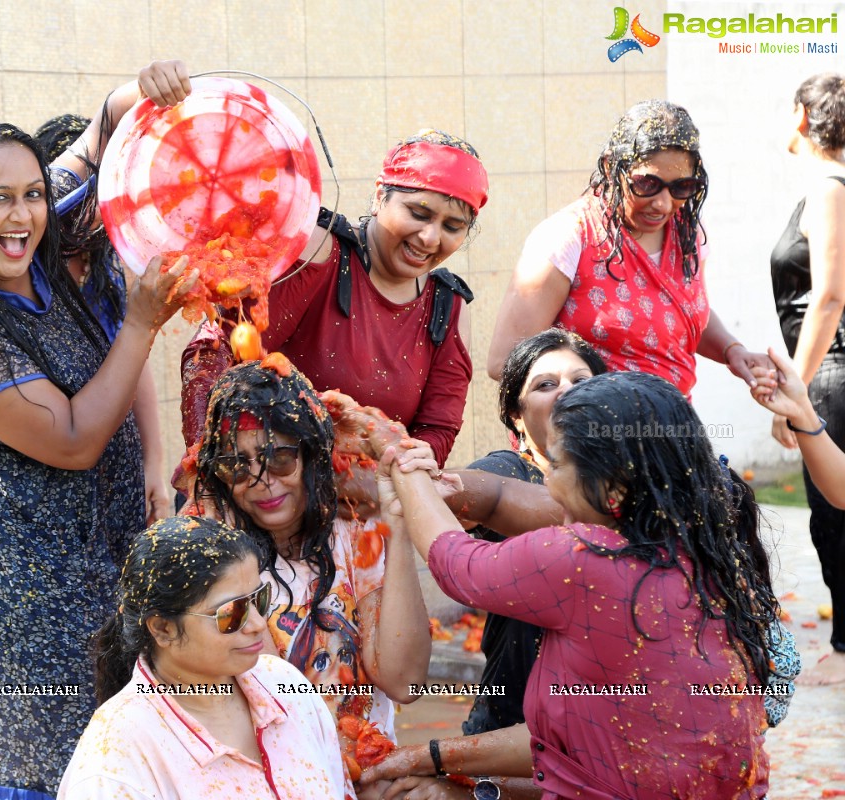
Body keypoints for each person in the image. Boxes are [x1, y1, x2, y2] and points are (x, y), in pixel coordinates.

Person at [0, 65, 197, 798]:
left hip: (98, 566)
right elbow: (73, 440)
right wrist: (140, 324)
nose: (24, 215)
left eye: (33, 194)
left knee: (119, 759)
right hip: (25, 595)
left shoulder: (38, 248)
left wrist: (139, 90)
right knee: (52, 771)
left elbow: (98, 141)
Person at [369, 371, 776, 799]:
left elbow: (455, 563)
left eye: (558, 464)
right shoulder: (713, 557)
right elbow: (570, 742)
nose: (547, 480)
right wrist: (429, 760)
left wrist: (403, 464)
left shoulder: (589, 558)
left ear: (614, 489)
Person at [177, 122, 488, 469]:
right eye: (418, 213)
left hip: (369, 502)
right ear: (379, 196)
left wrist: (419, 459)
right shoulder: (321, 252)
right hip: (262, 483)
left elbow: (436, 430)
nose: (430, 238)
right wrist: (214, 462)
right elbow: (217, 348)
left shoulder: (448, 307)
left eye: (452, 226)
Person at [192, 359, 431, 798]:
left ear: (312, 455)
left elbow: (404, 681)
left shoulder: (359, 538)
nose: (262, 482)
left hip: (366, 776)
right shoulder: (214, 558)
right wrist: (221, 547)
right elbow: (274, 702)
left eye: (280, 458)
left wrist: (399, 528)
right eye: (238, 465)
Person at [486, 99, 773, 399]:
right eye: (647, 184)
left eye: (681, 188)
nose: (663, 203)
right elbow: (503, 360)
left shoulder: (687, 235)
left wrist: (732, 350)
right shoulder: (569, 237)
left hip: (670, 431)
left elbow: (683, 315)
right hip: (588, 434)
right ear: (612, 167)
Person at [57, 516, 345, 799]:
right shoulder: (114, 759)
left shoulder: (285, 685)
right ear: (163, 629)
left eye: (259, 598)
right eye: (232, 612)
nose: (258, 624)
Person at [458, 330, 607, 737]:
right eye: (546, 385)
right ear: (516, 416)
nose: (567, 393)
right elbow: (466, 491)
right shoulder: (506, 470)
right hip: (509, 726)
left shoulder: (641, 480)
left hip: (613, 732)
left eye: (581, 380)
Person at [767, 71, 845, 685]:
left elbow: (828, 299)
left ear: (801, 117)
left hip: (833, 372)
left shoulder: (828, 189)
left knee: (835, 514)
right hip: (834, 371)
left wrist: (794, 390)